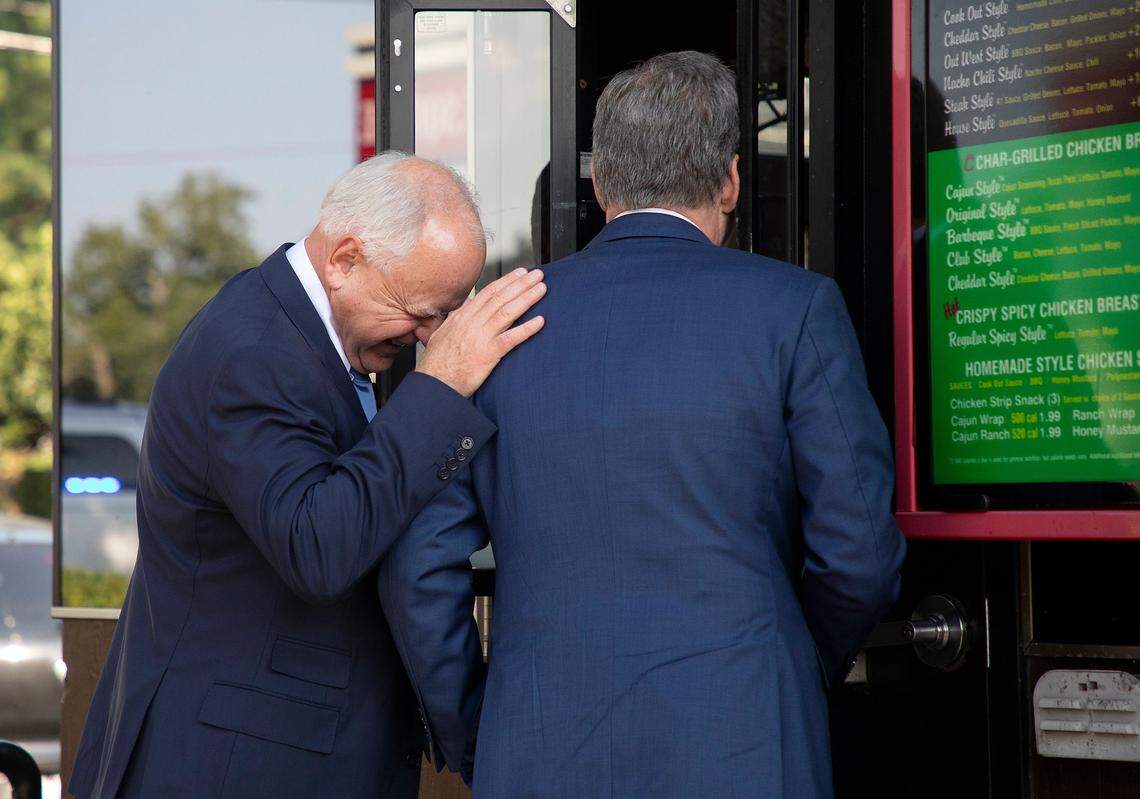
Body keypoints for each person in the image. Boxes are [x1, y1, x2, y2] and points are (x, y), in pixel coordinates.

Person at [378, 51, 906, 798]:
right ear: (730, 179)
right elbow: (858, 552)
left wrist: (477, 726)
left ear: (598, 184)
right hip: (747, 741)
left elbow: (416, 567)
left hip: (535, 752)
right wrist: (783, 661)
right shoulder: (795, 311)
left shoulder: (497, 328)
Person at [69, 153, 547, 798]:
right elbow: (318, 547)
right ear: (345, 259)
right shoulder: (251, 355)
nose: (434, 339)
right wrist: (440, 390)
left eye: (449, 316)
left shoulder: (307, 338)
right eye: (422, 312)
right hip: (236, 766)